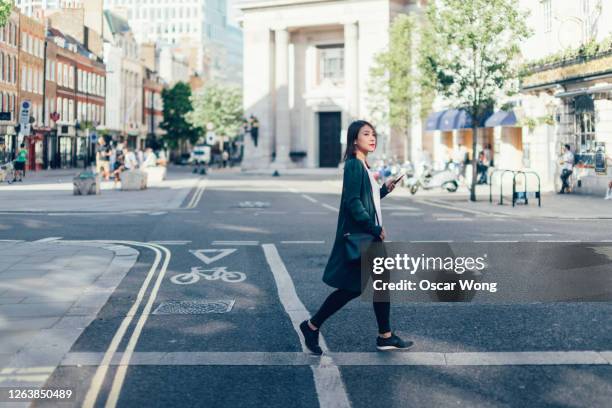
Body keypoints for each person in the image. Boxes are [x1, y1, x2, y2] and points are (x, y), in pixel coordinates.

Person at [298, 120, 413, 355]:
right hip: (364, 236)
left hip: (367, 235)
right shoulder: (353, 165)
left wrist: (383, 191)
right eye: (366, 134)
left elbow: (365, 200)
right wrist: (373, 227)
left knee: (366, 286)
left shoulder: (363, 166)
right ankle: (313, 325)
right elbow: (353, 202)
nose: (372, 138)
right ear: (354, 140)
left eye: (374, 134)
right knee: (356, 288)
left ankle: (384, 335)